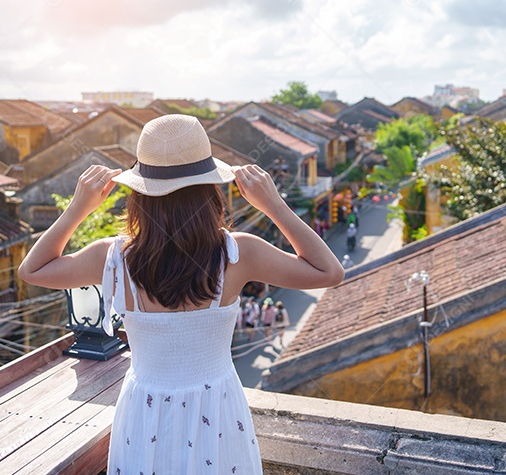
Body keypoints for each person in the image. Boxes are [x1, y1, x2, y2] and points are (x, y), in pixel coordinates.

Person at [18, 114, 344, 474]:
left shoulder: (112, 257)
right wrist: (273, 204)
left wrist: (79, 207)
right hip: (217, 410)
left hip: (145, 410)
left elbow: (32, 270)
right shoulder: (239, 253)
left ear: (140, 193)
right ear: (210, 191)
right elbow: (329, 271)